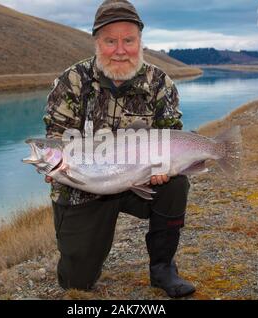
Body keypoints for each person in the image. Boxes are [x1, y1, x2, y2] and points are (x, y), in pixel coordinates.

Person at [42, 0, 195, 298]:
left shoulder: (160, 82)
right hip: (83, 187)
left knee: (176, 184)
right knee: (76, 283)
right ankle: (84, 258)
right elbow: (56, 136)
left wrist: (164, 166)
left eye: (129, 40)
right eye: (110, 41)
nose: (121, 50)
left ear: (140, 41)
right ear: (97, 42)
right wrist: (53, 166)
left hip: (139, 180)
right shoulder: (72, 81)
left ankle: (163, 269)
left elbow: (171, 136)